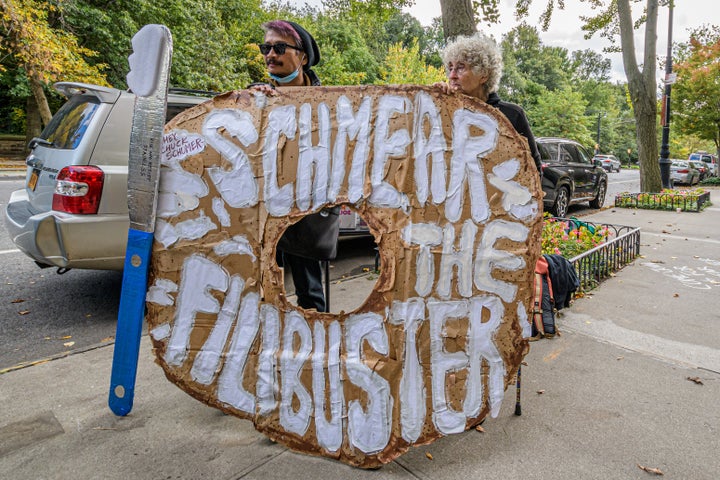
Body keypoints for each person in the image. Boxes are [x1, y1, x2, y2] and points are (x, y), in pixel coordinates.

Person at [249, 20, 337, 312]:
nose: (270, 54)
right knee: (259, 291)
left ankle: (317, 350)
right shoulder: (255, 97)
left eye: (279, 47)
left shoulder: (330, 104)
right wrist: (253, 104)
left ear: (302, 57)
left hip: (305, 215)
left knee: (310, 294)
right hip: (263, 211)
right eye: (266, 47)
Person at [433, 32, 542, 173]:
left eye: (460, 67)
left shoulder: (511, 115)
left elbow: (534, 168)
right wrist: (434, 100)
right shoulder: (446, 110)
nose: (452, 76)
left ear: (484, 74)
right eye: (450, 68)